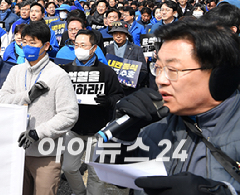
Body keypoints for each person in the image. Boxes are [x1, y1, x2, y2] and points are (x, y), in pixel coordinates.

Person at [104, 20, 240, 194]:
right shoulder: (151, 124)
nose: (160, 80)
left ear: (220, 76)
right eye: (158, 67)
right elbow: (118, 178)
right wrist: (121, 138)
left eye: (173, 70)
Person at [0, 21, 79, 195]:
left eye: (33, 43)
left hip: (46, 154)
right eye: (24, 42)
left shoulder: (58, 75)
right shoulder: (16, 71)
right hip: (18, 152)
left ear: (46, 45)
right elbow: (3, 100)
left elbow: (69, 115)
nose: (27, 47)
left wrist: (38, 133)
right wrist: (27, 96)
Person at [61, 29, 124, 195]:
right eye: (76, 45)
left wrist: (108, 101)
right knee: (68, 168)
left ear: (94, 48)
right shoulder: (65, 70)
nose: (79, 48)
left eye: (83, 45)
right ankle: (80, 192)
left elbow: (118, 94)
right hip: (74, 129)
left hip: (98, 130)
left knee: (96, 174)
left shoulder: (106, 71)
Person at [105, 21, 148, 93]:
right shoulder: (106, 49)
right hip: (111, 89)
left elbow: (143, 70)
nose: (118, 36)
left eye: (121, 33)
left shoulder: (137, 49)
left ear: (126, 35)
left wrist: (132, 82)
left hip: (130, 90)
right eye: (115, 34)